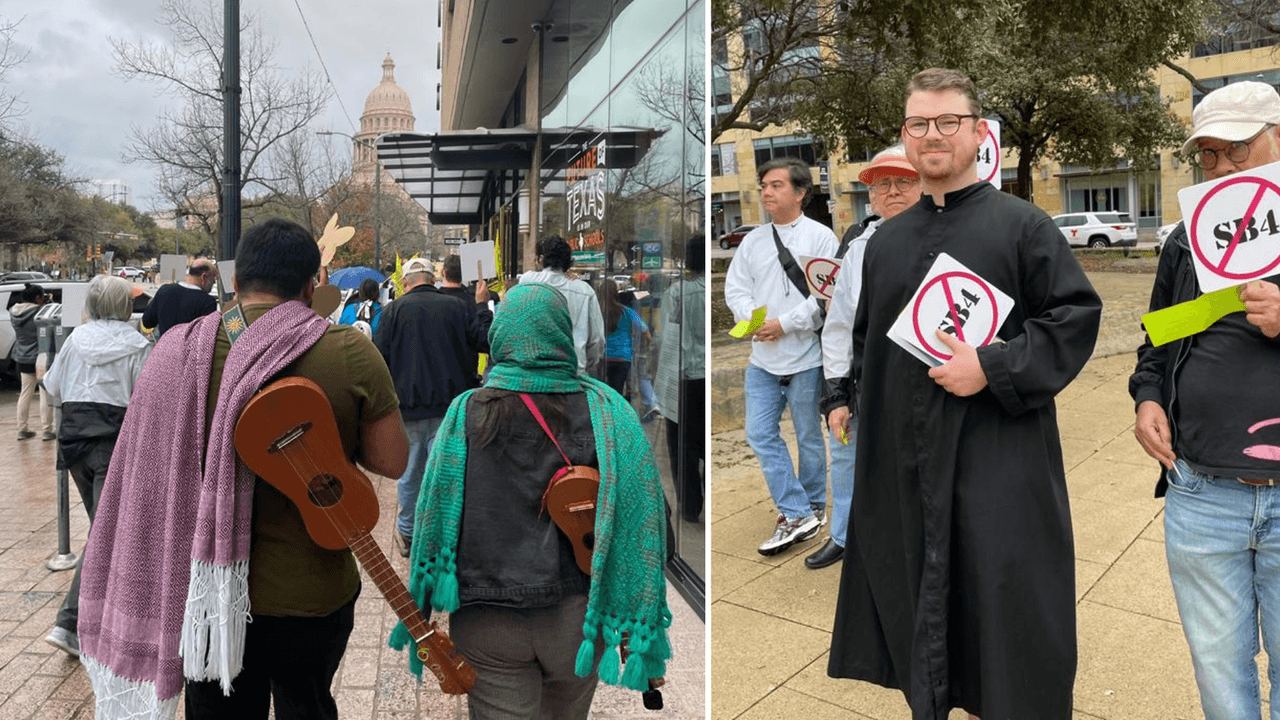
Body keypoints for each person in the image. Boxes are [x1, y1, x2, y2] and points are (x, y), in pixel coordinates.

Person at [826, 69, 1101, 719]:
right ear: (904, 135)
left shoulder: (1023, 227)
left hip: (998, 464)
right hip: (907, 467)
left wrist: (995, 363)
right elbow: (869, 347)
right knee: (924, 617)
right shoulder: (884, 243)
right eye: (919, 123)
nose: (933, 135)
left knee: (1001, 621)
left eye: (948, 121)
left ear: (978, 133)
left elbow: (1073, 319)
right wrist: (845, 400)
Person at [76, 218, 409, 720]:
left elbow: (143, 466)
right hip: (311, 592)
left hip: (204, 596)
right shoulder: (348, 351)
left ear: (234, 282)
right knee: (308, 705)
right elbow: (393, 459)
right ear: (311, 284)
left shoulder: (175, 351)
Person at [388, 282, 671, 719]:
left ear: (502, 336)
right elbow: (650, 519)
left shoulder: (465, 412)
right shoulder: (608, 410)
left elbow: (433, 511)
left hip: (486, 620)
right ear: (561, 332)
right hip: (580, 618)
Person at [1131, 80, 1280, 720]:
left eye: (1238, 148)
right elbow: (1157, 338)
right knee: (1221, 681)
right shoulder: (1187, 241)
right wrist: (1146, 397)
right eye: (1209, 155)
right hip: (1201, 493)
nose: (1221, 165)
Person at [810, 144, 921, 570]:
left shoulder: (950, 239)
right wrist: (836, 397)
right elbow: (838, 326)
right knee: (846, 456)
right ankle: (844, 536)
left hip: (928, 383)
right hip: (864, 384)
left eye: (903, 181)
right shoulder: (858, 248)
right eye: (881, 184)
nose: (891, 192)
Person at [723, 156, 839, 556]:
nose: (766, 192)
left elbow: (826, 295)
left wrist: (784, 324)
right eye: (763, 186)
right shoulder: (754, 240)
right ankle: (796, 509)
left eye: (775, 185)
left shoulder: (821, 238)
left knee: (808, 436)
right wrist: (752, 320)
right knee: (759, 433)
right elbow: (736, 288)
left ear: (800, 192)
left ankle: (813, 506)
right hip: (762, 361)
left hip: (805, 357)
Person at [40, 275, 152, 658]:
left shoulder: (75, 340)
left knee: (105, 532)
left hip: (73, 444)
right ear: (125, 306)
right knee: (107, 535)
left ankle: (102, 614)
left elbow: (52, 387)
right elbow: (147, 400)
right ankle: (68, 623)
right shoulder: (138, 345)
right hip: (112, 444)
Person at [374, 256, 490, 557]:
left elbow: (377, 357)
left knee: (410, 473)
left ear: (407, 283)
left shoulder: (394, 310)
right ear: (432, 278)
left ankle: (410, 532)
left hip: (408, 408)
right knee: (449, 474)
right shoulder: (458, 307)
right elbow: (484, 342)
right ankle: (445, 534)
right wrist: (481, 305)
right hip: (451, 409)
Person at [655, 235, 706, 524]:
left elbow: (668, 338)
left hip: (683, 378)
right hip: (703, 376)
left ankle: (689, 507)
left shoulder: (677, 293)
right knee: (702, 441)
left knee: (682, 447)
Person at [520, 235, 606, 378]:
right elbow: (597, 340)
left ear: (542, 259)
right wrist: (586, 365)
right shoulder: (584, 291)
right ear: (569, 262)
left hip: (534, 371)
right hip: (573, 373)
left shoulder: (527, 282)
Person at [438, 253, 493, 384]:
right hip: (465, 378)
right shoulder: (472, 302)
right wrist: (482, 305)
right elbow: (485, 339)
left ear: (442, 272)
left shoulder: (430, 301)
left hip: (436, 376)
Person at [10, 283, 53, 441]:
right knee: (44, 393)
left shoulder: (14, 312)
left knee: (25, 392)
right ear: (37, 298)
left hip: (22, 356)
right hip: (40, 356)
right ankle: (47, 430)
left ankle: (22, 429)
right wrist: (47, 303)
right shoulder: (39, 312)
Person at [597, 278, 651, 399]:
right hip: (623, 357)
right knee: (617, 392)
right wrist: (647, 347)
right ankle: (617, 415)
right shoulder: (626, 311)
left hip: (602, 357)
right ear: (616, 293)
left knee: (601, 393)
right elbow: (645, 331)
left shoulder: (597, 312)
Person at [141, 258, 218, 338]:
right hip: (189, 350)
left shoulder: (164, 290)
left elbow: (147, 322)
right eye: (213, 278)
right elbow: (208, 337)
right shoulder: (208, 302)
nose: (214, 282)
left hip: (164, 349)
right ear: (204, 277)